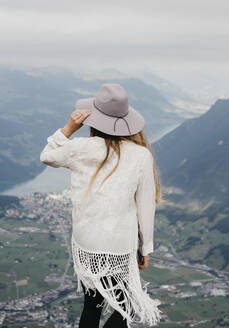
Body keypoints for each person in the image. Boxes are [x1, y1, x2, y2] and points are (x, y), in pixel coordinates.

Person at [40, 83, 162, 327]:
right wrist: (146, 248)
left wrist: (68, 129)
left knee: (92, 305)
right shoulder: (140, 155)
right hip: (118, 246)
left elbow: (47, 155)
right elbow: (145, 206)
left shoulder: (80, 148)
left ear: (94, 119)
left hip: (86, 244)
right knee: (128, 306)